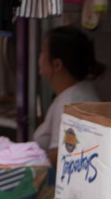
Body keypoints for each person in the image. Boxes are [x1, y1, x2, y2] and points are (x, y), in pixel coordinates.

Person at [33, 25, 104, 166]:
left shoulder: (71, 102)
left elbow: (59, 154)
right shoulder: (75, 93)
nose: (39, 57)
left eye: (42, 51)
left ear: (57, 64)